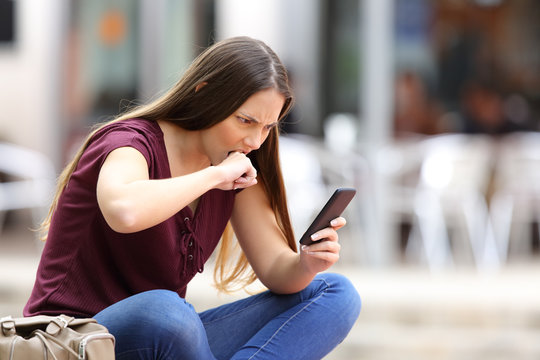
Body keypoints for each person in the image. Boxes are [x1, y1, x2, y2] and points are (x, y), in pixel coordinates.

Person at [24, 36, 361, 360]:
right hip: (72, 341)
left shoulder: (235, 163)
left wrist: (306, 263)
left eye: (268, 127)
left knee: (337, 293)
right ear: (205, 94)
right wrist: (213, 178)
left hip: (164, 338)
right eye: (246, 121)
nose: (255, 141)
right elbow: (124, 210)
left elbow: (276, 268)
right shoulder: (129, 143)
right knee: (167, 311)